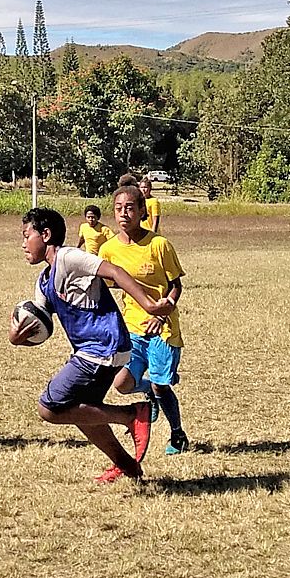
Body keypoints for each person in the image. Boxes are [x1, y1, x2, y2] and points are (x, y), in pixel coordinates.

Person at [14, 207, 173, 483]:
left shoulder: (69, 257)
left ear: (46, 234)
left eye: (27, 235)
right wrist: (17, 338)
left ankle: (132, 414)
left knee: (49, 408)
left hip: (103, 347)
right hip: (95, 350)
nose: (23, 243)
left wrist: (149, 305)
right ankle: (127, 465)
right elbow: (40, 326)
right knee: (82, 411)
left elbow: (115, 271)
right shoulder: (44, 281)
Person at [99, 185, 191, 455]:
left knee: (161, 383)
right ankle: (148, 393)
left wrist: (165, 308)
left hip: (162, 329)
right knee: (122, 384)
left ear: (142, 211)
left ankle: (177, 435)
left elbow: (175, 285)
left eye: (130, 208)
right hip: (132, 329)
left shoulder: (158, 245)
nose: (123, 214)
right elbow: (107, 285)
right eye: (118, 209)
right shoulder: (108, 249)